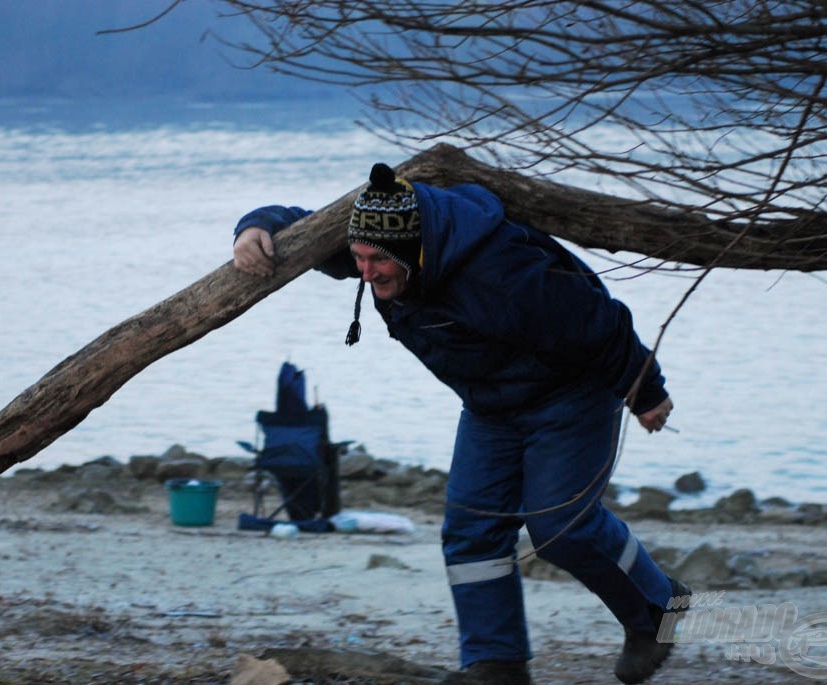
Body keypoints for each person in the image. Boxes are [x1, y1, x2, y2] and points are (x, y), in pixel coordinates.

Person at [232, 163, 690, 684]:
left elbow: (597, 321)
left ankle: (659, 607)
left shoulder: (501, 271)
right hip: (491, 406)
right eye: (358, 259)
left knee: (560, 528)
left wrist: (646, 390)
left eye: (378, 261)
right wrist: (255, 226)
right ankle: (496, 665)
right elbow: (303, 227)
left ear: (415, 250)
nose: (366, 272)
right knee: (471, 532)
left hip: (572, 395)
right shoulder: (378, 239)